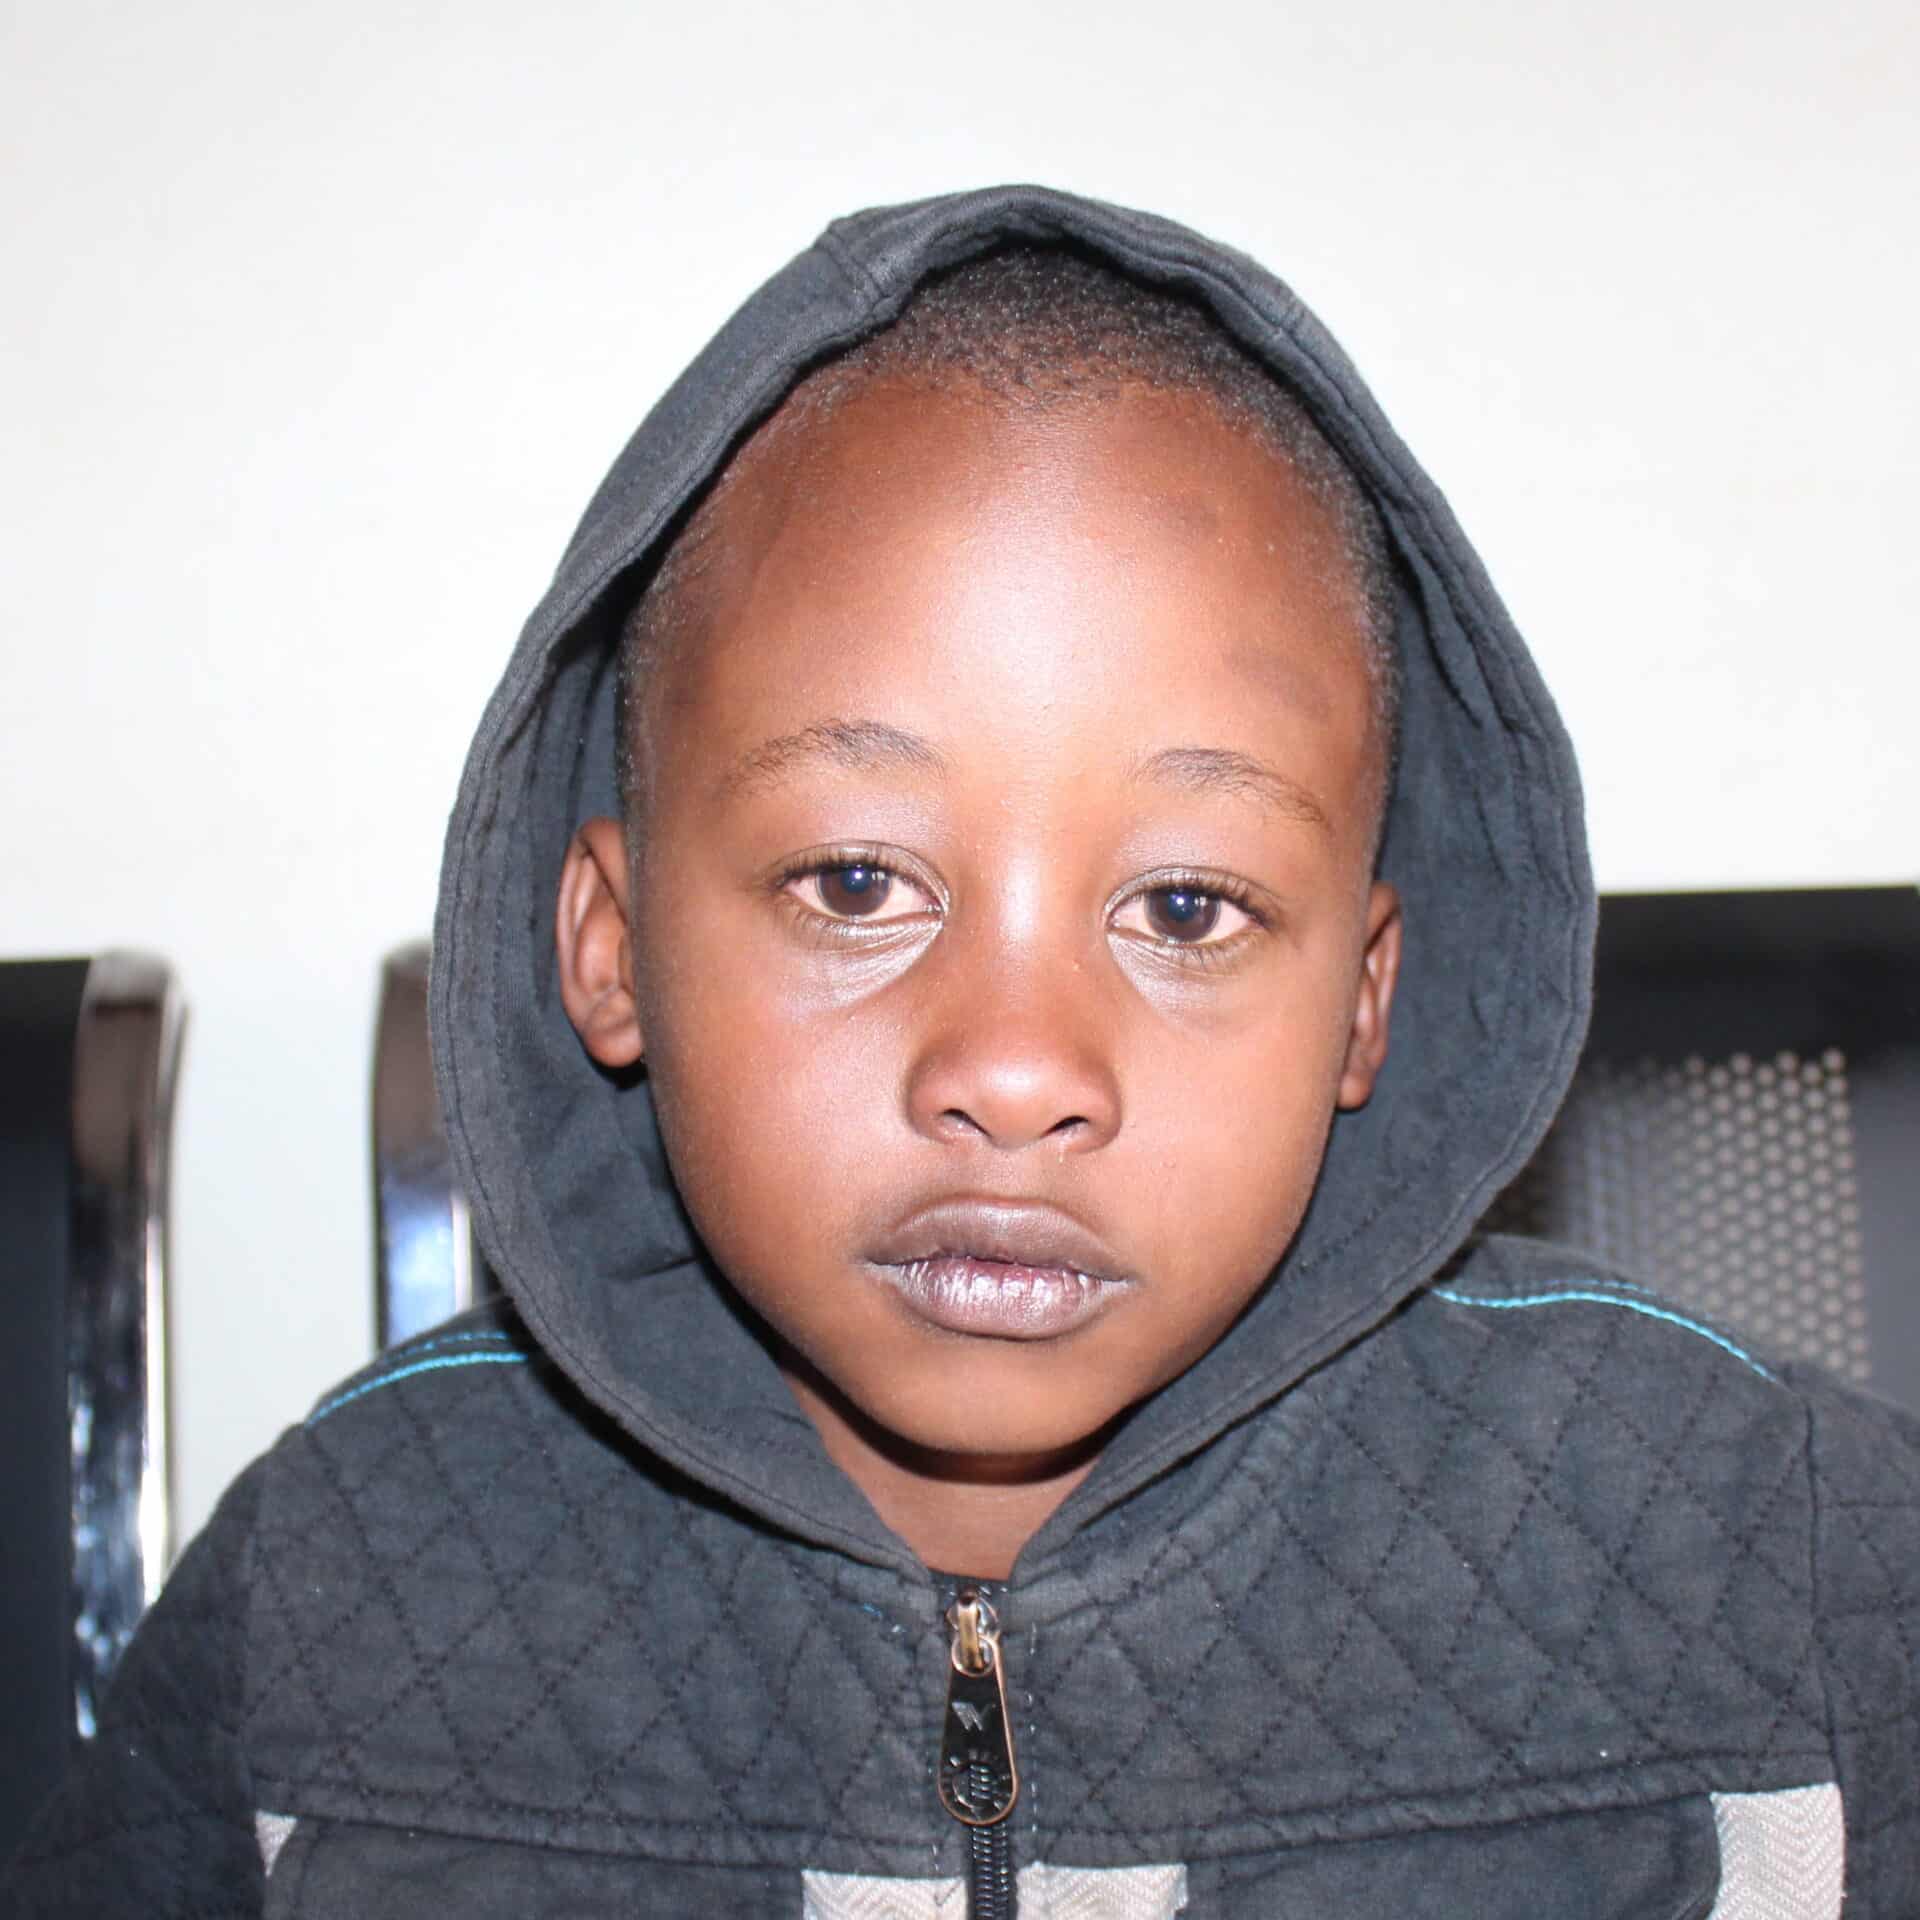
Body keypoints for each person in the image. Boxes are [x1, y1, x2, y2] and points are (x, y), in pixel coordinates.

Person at [7, 184, 1916, 1919]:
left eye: (1185, 909)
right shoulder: (336, 1597)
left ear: (1362, 998)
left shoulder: (1782, 1562)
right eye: (857, 883)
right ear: (610, 950)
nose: (1013, 1067)